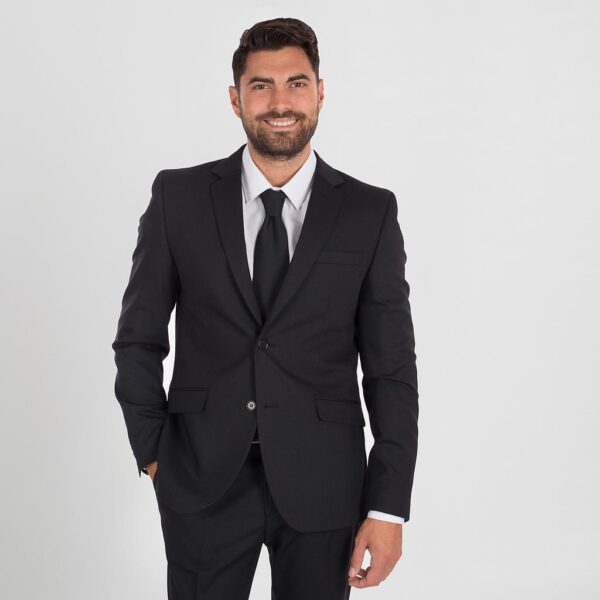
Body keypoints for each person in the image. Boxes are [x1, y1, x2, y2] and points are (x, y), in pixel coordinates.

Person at [111, 17, 419, 600]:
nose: (280, 102)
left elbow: (391, 370)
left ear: (320, 93)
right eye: (261, 86)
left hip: (325, 483)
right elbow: (138, 339)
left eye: (296, 84)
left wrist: (387, 507)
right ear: (236, 99)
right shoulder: (178, 198)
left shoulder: (369, 212)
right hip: (201, 479)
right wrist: (153, 451)